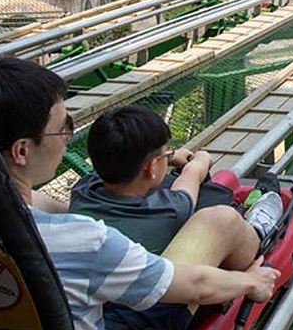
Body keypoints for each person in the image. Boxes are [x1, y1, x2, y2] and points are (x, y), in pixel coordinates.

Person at [0, 57, 281, 330]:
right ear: (22, 151)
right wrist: (250, 282)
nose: (68, 135)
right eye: (63, 126)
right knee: (218, 220)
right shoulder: (81, 240)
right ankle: (258, 230)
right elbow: (195, 286)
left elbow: (27, 205)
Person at [68, 104, 281, 256]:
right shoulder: (170, 209)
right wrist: (200, 160)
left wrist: (166, 158)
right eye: (165, 152)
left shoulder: (83, 188)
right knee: (227, 220)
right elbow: (191, 177)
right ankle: (259, 228)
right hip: (168, 290)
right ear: (151, 167)